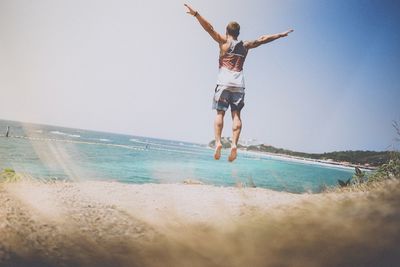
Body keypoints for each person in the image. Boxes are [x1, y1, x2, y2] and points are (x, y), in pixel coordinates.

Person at [184, 4, 293, 162]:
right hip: (238, 84)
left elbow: (209, 28)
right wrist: (280, 35)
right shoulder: (245, 45)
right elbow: (263, 39)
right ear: (238, 33)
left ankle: (219, 143)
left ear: (227, 31)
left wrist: (197, 14)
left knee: (220, 113)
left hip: (223, 83)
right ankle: (234, 144)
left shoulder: (223, 42)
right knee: (236, 115)